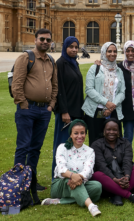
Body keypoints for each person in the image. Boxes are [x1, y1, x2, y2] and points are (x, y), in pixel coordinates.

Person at [11, 28, 57, 201]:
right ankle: (18, 184)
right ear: (35, 40)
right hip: (28, 109)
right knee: (23, 147)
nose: (45, 42)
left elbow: (55, 85)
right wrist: (23, 104)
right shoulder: (25, 58)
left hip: (44, 110)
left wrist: (51, 105)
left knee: (35, 149)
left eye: (48, 40)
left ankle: (30, 181)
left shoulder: (51, 60)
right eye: (42, 39)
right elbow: (17, 83)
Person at [42, 119, 103, 217]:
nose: (79, 136)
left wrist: (77, 178)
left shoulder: (90, 151)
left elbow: (88, 171)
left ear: (86, 134)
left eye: (82, 133)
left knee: (97, 186)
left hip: (80, 183)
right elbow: (61, 169)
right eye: (76, 133)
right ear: (70, 134)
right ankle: (91, 206)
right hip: (60, 185)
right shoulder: (62, 147)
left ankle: (61, 201)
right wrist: (73, 175)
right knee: (72, 175)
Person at [91, 118, 134, 206]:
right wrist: (115, 179)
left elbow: (127, 162)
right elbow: (101, 166)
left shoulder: (125, 143)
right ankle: (129, 195)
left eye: (114, 130)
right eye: (108, 129)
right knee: (97, 174)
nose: (111, 132)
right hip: (107, 180)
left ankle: (117, 194)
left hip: (123, 177)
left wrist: (127, 177)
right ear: (104, 131)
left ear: (119, 131)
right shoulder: (96, 144)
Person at [53, 36, 85, 177]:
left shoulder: (74, 63)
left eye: (76, 47)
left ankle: (72, 176)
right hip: (66, 113)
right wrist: (64, 111)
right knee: (62, 146)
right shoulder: (60, 63)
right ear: (65, 47)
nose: (74, 49)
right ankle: (58, 177)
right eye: (71, 47)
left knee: (73, 147)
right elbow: (59, 89)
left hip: (76, 110)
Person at [82, 42, 126, 145]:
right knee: (96, 141)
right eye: (109, 51)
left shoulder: (119, 71)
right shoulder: (95, 68)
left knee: (114, 141)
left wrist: (112, 106)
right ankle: (96, 161)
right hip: (96, 110)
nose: (113, 54)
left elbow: (122, 92)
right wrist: (107, 103)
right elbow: (89, 89)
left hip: (113, 110)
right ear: (104, 52)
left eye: (115, 51)